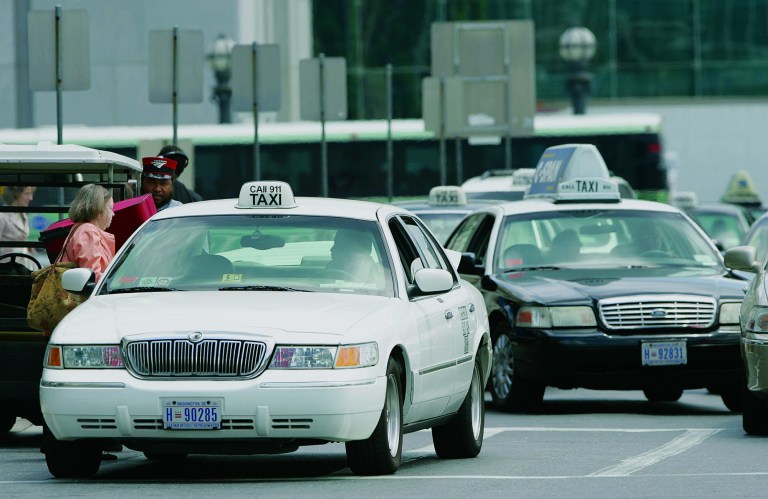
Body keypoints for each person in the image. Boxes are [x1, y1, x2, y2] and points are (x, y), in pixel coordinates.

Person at [60, 184, 116, 283]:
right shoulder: (88, 232)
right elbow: (91, 276)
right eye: (110, 208)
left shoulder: (81, 229)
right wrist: (118, 281)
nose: (113, 213)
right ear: (99, 212)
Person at [0, 186, 37, 268]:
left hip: (24, 265)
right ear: (15, 195)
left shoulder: (22, 214)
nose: (31, 198)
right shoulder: (2, 216)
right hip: (7, 269)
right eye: (27, 194)